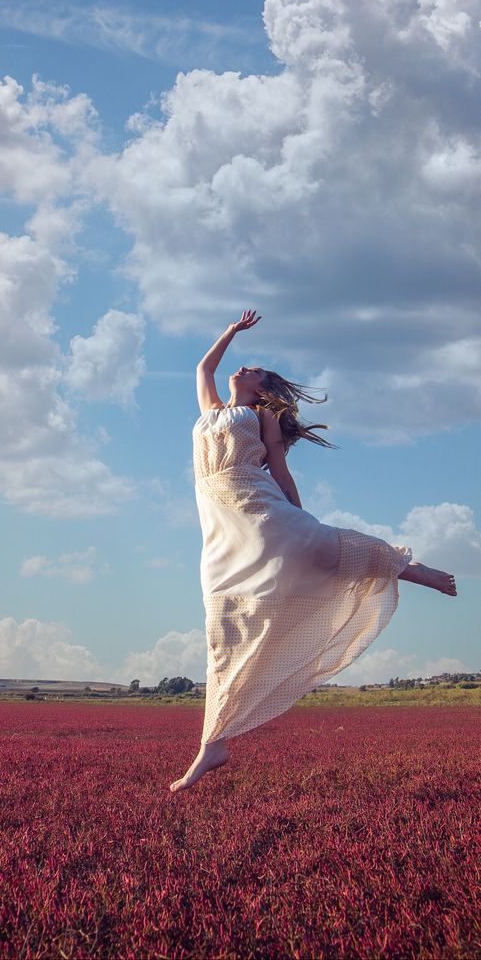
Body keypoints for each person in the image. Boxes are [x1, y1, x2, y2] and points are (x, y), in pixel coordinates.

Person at [169, 311, 457, 793]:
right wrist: (231, 331)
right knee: (221, 624)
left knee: (314, 543)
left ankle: (407, 566)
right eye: (246, 365)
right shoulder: (210, 410)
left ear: (263, 389)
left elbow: (279, 471)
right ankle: (213, 743)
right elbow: (202, 369)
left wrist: (300, 516)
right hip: (219, 523)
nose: (244, 368)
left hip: (255, 502)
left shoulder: (261, 418)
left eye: (255, 369)